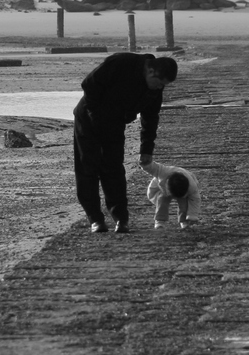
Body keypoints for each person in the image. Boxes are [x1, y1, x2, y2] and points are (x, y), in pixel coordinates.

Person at [73, 52, 178, 234]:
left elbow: (150, 118)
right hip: (88, 120)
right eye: (160, 83)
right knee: (87, 168)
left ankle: (121, 219)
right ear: (151, 71)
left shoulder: (154, 90)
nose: (160, 88)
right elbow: (89, 84)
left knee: (113, 168)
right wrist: (95, 116)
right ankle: (96, 219)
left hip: (115, 123)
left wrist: (146, 149)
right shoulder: (121, 63)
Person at [138, 158, 201, 230]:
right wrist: (145, 162)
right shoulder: (163, 172)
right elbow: (153, 168)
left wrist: (192, 217)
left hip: (182, 189)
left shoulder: (192, 186)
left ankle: (184, 221)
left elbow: (195, 199)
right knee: (162, 199)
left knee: (184, 201)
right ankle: (160, 220)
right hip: (162, 188)